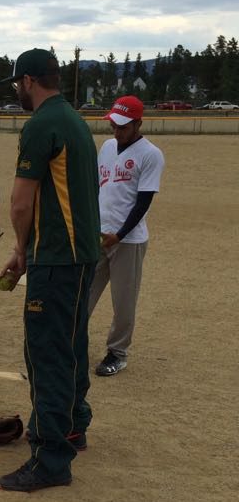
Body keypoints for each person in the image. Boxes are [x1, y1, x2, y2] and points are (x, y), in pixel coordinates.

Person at [0, 49, 100, 492]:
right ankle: (73, 426)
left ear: (29, 81)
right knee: (71, 344)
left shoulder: (41, 124)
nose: (16, 91)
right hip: (81, 256)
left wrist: (21, 250)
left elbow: (21, 202)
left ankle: (50, 459)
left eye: (17, 83)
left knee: (47, 355)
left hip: (55, 257)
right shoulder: (74, 120)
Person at [88, 96, 164, 376]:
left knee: (123, 303)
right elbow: (97, 188)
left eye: (123, 127)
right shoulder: (107, 147)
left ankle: (117, 353)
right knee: (83, 293)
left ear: (138, 124)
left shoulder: (150, 154)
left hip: (128, 241)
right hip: (98, 236)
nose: (116, 131)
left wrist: (119, 235)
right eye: (114, 125)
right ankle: (72, 341)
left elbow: (143, 203)